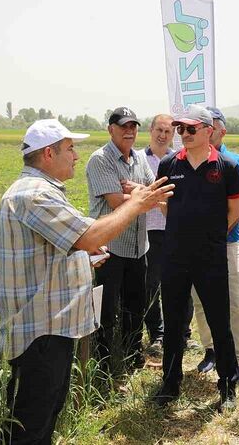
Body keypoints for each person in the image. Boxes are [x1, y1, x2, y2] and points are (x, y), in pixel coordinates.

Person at [0, 119, 173, 444]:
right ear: (49, 154)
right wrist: (135, 204)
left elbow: (63, 246)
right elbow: (89, 234)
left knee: (42, 420)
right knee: (29, 428)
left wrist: (84, 256)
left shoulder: (42, 192)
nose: (76, 156)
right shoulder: (34, 195)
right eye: (70, 148)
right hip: (41, 333)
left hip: (50, 329)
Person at [151, 104, 239, 412]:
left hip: (211, 257)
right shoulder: (168, 164)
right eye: (181, 129)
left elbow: (235, 212)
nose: (184, 134)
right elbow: (164, 206)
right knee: (175, 322)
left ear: (209, 131)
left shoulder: (227, 168)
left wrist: (210, 235)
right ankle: (170, 382)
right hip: (175, 256)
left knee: (220, 323)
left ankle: (227, 385)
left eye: (191, 129)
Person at [85, 106, 156, 370]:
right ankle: (104, 364)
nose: (129, 131)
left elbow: (155, 192)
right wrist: (144, 195)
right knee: (106, 311)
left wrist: (136, 190)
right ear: (111, 129)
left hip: (138, 247)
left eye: (133, 126)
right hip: (110, 248)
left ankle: (132, 357)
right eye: (123, 126)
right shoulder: (100, 159)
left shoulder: (139, 158)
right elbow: (115, 201)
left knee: (135, 306)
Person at [191, 106, 239, 386]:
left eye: (212, 126)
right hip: (197, 247)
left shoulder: (236, 162)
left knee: (237, 303)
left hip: (227, 243)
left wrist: (216, 235)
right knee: (201, 302)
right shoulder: (191, 161)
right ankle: (211, 351)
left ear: (220, 131)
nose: (208, 131)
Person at [143, 114, 175, 357]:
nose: (163, 135)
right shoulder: (139, 159)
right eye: (159, 130)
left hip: (175, 230)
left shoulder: (178, 160)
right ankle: (157, 334)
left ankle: (181, 334)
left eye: (168, 131)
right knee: (152, 285)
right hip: (149, 231)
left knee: (178, 283)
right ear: (151, 130)